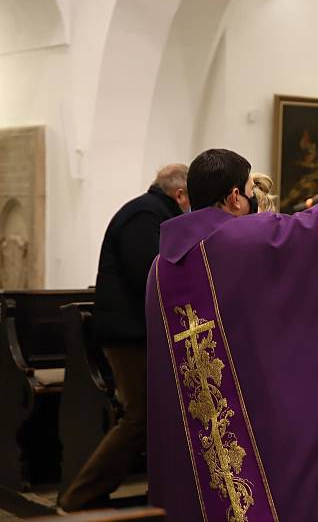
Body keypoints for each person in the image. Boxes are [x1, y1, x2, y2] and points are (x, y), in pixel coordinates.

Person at [145, 149, 318, 521]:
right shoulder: (244, 240)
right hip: (254, 415)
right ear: (235, 197)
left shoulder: (161, 267)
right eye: (247, 188)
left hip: (193, 427)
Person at [58, 163, 190, 512]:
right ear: (180, 194)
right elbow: (147, 272)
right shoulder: (144, 215)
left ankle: (101, 494)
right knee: (139, 417)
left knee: (144, 416)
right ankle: (77, 498)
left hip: (136, 332)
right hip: (127, 335)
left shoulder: (152, 213)